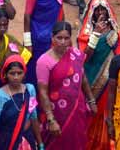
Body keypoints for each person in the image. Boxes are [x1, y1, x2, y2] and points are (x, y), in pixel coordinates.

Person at [36, 21, 95, 149]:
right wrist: (51, 120)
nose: (63, 42)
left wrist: (91, 100)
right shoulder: (44, 61)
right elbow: (43, 92)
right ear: (52, 38)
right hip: (56, 113)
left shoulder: (76, 55)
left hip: (77, 109)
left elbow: (82, 78)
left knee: (76, 141)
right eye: (59, 38)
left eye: (66, 38)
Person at [79, 0, 120, 150]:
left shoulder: (115, 34)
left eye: (103, 10)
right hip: (90, 82)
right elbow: (84, 57)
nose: (100, 14)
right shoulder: (85, 34)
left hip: (108, 83)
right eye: (97, 10)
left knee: (105, 114)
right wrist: (96, 34)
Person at [23, 0, 66, 87]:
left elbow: (61, 10)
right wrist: (28, 42)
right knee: (35, 71)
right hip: (37, 38)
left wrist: (63, 32)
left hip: (53, 38)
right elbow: (27, 15)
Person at [0, 55, 44, 150]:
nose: (16, 77)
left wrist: (40, 144)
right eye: (12, 73)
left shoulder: (30, 90)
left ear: (24, 74)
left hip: (26, 139)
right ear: (5, 75)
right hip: (6, 142)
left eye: (19, 73)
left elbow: (33, 117)